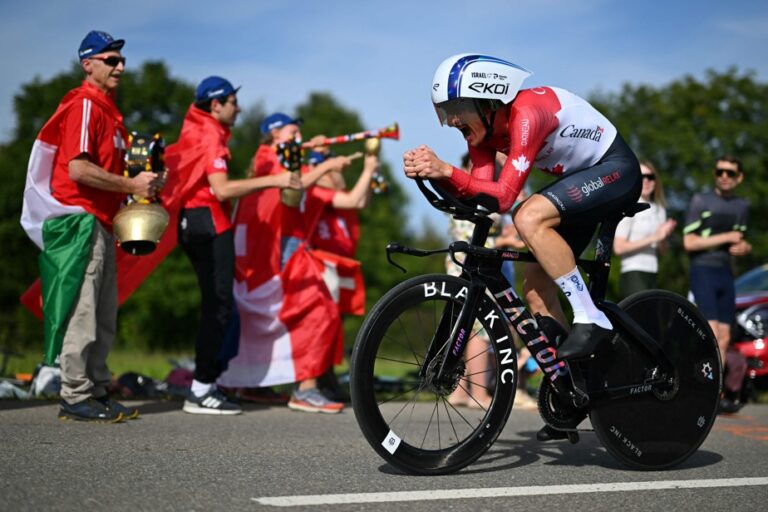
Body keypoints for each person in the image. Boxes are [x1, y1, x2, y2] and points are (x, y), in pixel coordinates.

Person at [403, 53, 641, 440]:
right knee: (535, 285)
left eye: (456, 108)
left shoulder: (527, 113)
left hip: (615, 170)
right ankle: (574, 390)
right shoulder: (481, 132)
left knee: (529, 217)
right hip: (581, 182)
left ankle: (590, 316)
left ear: (487, 98)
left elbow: (504, 198)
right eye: (444, 111)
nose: (450, 120)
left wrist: (445, 169)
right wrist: (435, 176)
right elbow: (480, 197)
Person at [20, 31, 164, 422]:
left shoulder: (109, 111)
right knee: (83, 311)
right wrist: (130, 184)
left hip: (101, 221)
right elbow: (78, 169)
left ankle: (97, 390)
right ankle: (75, 393)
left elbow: (114, 171)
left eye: (121, 60)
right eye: (110, 59)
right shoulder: (85, 105)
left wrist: (144, 182)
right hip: (79, 218)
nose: (120, 66)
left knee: (103, 315)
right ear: (88, 64)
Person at [171, 79, 301, 415]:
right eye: (232, 100)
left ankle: (207, 384)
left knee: (219, 305)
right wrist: (276, 179)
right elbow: (223, 189)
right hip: (209, 222)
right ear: (215, 105)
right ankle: (201, 388)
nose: (238, 107)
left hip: (196, 221)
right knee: (219, 306)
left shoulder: (200, 129)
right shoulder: (210, 133)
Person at [216, 113, 353, 413]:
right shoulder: (270, 159)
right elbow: (294, 186)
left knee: (274, 318)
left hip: (277, 251)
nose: (298, 136)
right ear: (274, 134)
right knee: (318, 311)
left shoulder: (273, 158)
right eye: (292, 131)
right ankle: (306, 389)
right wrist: (327, 165)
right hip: (279, 253)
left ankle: (256, 384)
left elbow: (312, 185)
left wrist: (324, 158)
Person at [683, 155, 751, 414]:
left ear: (739, 177)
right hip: (703, 271)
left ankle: (714, 393)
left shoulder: (742, 205)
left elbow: (741, 242)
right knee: (709, 334)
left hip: (726, 274)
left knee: (724, 338)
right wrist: (727, 237)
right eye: (720, 171)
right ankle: (694, 389)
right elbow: (689, 242)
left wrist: (744, 246)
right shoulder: (701, 200)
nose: (724, 176)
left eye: (730, 173)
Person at [613, 160, 676, 298]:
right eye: (642, 177)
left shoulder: (660, 209)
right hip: (633, 271)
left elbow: (663, 251)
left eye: (650, 177)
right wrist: (655, 237)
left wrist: (664, 236)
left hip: (653, 272)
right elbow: (618, 248)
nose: (646, 181)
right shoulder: (630, 206)